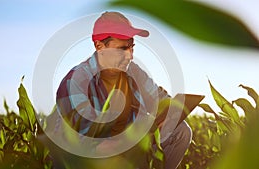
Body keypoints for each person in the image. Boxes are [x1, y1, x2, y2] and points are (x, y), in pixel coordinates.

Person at [53, 11, 192, 169]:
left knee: (180, 131)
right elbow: (91, 143)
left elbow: (158, 97)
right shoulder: (75, 82)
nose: (130, 56)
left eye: (132, 48)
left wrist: (168, 113)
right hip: (86, 159)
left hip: (126, 149)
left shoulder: (133, 71)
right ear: (99, 46)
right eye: (123, 48)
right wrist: (140, 134)